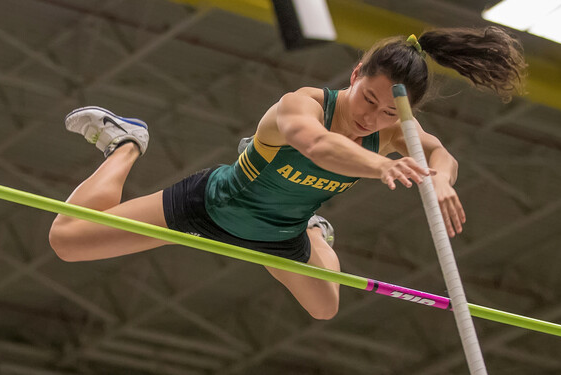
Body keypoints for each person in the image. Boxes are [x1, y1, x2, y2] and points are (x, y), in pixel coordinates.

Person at [49, 27, 526, 320]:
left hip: (280, 234)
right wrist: (381, 164)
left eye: (387, 114)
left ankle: (315, 232)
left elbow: (443, 156)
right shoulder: (303, 104)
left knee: (325, 308)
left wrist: (440, 177)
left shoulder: (400, 132)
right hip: (211, 206)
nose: (371, 117)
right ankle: (126, 143)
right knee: (67, 241)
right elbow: (318, 146)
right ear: (356, 74)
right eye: (368, 100)